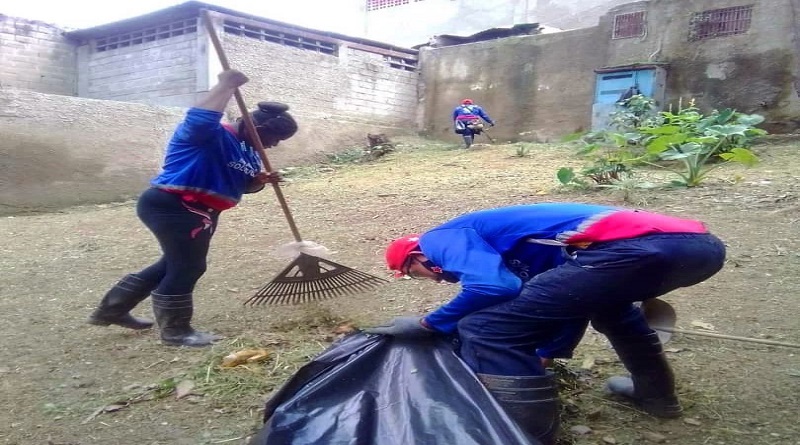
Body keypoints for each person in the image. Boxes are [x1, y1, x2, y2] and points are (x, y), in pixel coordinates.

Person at [366, 203, 726, 444]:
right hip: (700, 248)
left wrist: (430, 323)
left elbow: (493, 285)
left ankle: (525, 434)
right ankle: (657, 397)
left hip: (633, 247)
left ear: (417, 258)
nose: (425, 280)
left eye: (412, 274)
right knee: (614, 313)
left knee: (484, 327)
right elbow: (569, 304)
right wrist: (547, 354)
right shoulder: (529, 256)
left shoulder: (438, 238)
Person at [88, 69, 298, 347]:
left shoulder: (248, 150)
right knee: (189, 266)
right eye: (275, 139)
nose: (274, 146)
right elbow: (200, 117)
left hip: (203, 212)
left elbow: (243, 185)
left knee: (172, 264)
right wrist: (225, 86)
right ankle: (175, 330)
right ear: (257, 130)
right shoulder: (207, 135)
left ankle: (111, 310)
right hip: (173, 206)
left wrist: (258, 181)